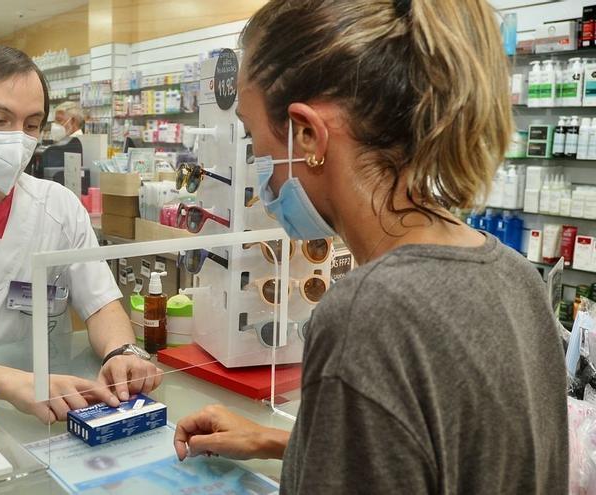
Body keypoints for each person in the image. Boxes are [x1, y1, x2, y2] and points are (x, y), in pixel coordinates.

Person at [174, 1, 568, 493]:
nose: (262, 172)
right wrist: (278, 441)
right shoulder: (513, 274)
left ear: (308, 135)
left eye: (255, 140)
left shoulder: (367, 315)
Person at [0, 45, 161, 424]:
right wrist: (9, 382)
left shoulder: (58, 206)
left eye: (32, 124)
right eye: (1, 120)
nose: (19, 138)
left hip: (47, 416)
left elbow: (101, 303)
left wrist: (122, 352)